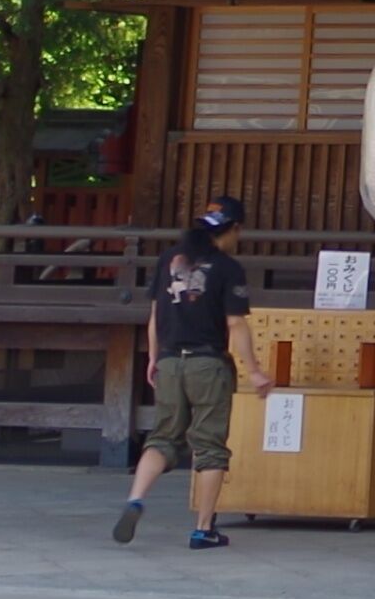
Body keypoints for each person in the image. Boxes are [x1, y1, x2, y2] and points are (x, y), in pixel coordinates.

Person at [114, 198, 272, 549]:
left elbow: (155, 315)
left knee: (162, 438)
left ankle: (136, 498)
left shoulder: (170, 258)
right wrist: (255, 371)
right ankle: (203, 529)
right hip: (208, 364)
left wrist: (153, 358)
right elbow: (236, 324)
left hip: (170, 361)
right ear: (232, 230)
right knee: (210, 447)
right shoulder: (227, 267)